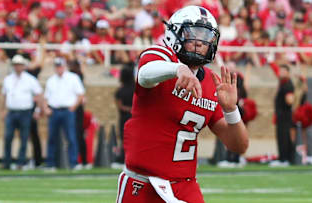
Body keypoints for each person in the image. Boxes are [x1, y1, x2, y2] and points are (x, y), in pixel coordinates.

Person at [116, 6, 249, 203]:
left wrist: (231, 110)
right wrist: (178, 69)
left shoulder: (212, 83)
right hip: (142, 184)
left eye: (205, 36)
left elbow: (239, 146)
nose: (199, 42)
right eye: (192, 34)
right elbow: (145, 75)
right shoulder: (160, 56)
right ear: (174, 33)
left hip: (184, 185)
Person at [1, 55, 43, 170]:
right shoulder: (8, 79)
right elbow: (4, 96)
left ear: (23, 66)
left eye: (19, 65)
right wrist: (3, 110)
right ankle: (7, 162)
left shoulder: (30, 79)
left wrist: (38, 110)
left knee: (24, 137)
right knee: (8, 137)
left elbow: (39, 95)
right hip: (12, 111)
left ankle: (21, 162)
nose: (17, 67)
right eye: (15, 65)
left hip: (25, 112)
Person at [43, 57, 85, 170]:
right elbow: (46, 97)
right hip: (54, 110)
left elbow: (81, 94)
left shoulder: (73, 78)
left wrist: (73, 107)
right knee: (52, 137)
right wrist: (46, 108)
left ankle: (74, 162)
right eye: (57, 66)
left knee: (71, 136)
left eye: (60, 66)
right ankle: (50, 163)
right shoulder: (51, 80)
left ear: (64, 66)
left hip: (67, 110)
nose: (59, 69)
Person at [270, 64, 295, 167]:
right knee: (281, 136)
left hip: (285, 115)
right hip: (281, 115)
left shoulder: (288, 85)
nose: (281, 73)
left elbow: (290, 100)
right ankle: (283, 158)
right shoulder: (282, 83)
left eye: (283, 71)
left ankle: (284, 159)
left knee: (284, 137)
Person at [114, 64, 135, 165]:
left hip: (124, 117)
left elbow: (120, 106)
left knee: (124, 138)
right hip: (136, 117)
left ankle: (124, 158)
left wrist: (128, 109)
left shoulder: (120, 91)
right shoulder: (136, 88)